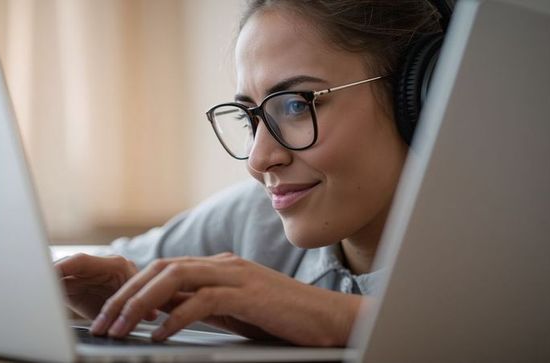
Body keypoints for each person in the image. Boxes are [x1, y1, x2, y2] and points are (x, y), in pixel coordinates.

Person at [55, 0, 442, 347]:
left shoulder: (499, 256)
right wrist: (119, 297)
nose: (258, 160)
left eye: (295, 105)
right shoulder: (254, 217)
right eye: (249, 118)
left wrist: (336, 318)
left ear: (423, 99)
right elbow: (91, 269)